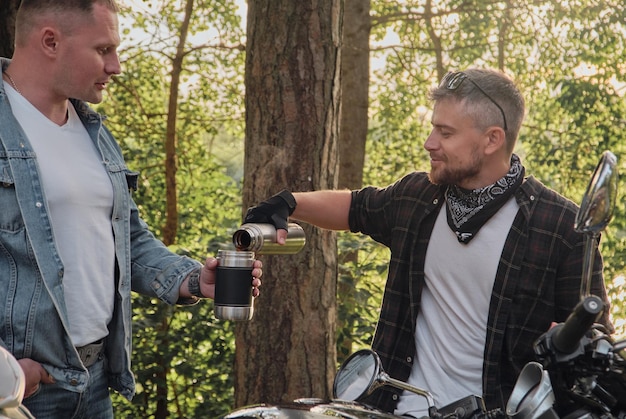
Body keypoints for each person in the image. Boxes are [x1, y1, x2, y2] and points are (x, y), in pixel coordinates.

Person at [244, 68, 613, 415]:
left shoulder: (560, 227)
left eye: (445, 133)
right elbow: (356, 207)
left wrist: (570, 344)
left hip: (498, 411)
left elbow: (592, 344)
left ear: (492, 140)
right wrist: (290, 203)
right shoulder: (420, 196)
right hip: (395, 408)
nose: (429, 143)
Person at [0, 0, 262, 417]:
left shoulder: (94, 133)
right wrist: (4, 371)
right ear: (50, 41)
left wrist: (193, 280)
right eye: (104, 49)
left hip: (96, 382)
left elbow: (127, 239)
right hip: (22, 392)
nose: (117, 66)